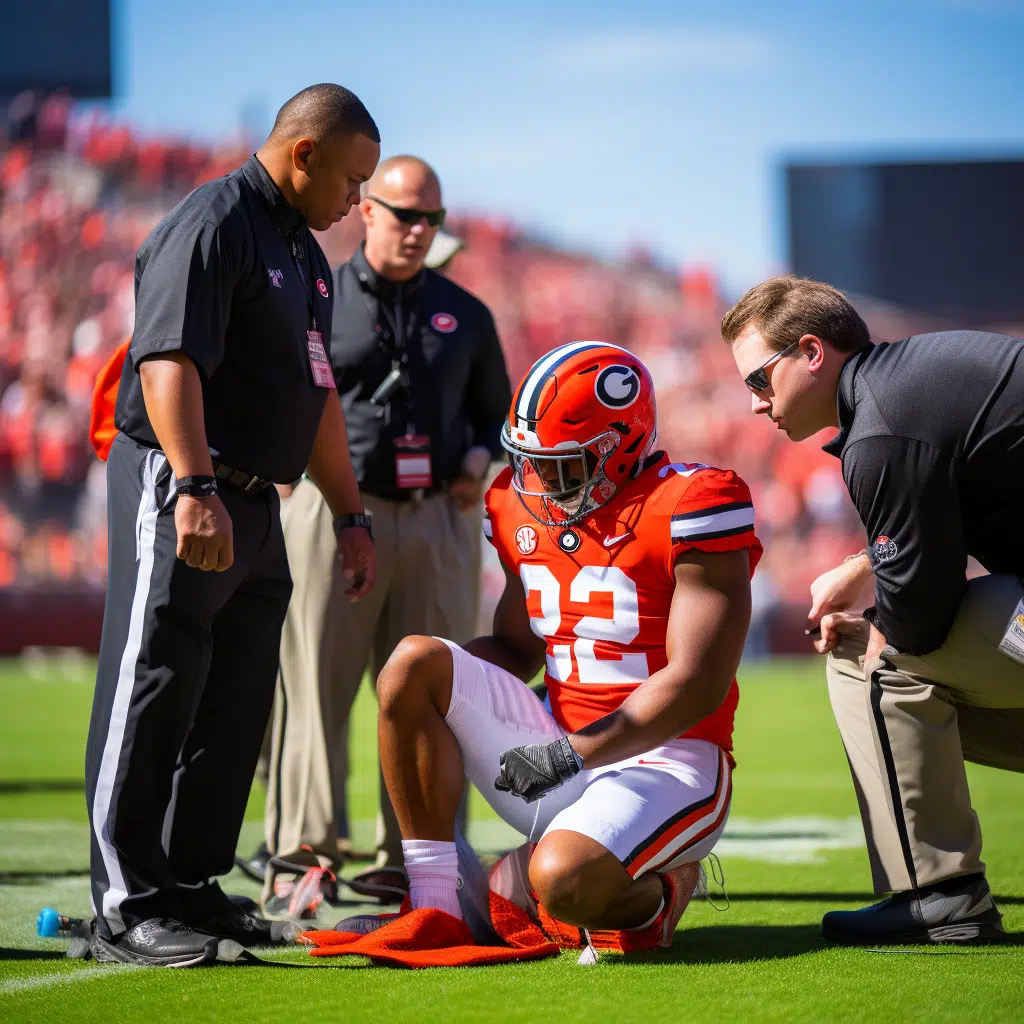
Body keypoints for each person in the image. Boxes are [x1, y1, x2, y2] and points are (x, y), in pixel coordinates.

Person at [84, 84, 380, 967]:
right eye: (351, 178)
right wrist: (193, 485)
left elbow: (317, 396)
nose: (355, 200)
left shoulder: (308, 258)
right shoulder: (212, 223)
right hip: (189, 485)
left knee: (236, 692)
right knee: (155, 674)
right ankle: (124, 901)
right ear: (303, 155)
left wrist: (351, 513)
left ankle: (191, 880)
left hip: (260, 502)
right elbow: (167, 359)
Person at [359, 341, 758, 945]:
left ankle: (662, 890)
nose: (540, 479)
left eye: (563, 462)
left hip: (667, 757)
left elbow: (696, 684)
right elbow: (516, 647)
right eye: (530, 459)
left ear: (619, 449)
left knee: (565, 882)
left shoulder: (691, 503)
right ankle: (436, 904)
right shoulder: (517, 505)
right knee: (412, 662)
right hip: (556, 745)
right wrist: (432, 694)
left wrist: (569, 754)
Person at [723, 274, 1024, 945]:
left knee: (868, 662)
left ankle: (941, 898)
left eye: (758, 381)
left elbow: (918, 621)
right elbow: (959, 513)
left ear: (811, 353)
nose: (753, 405)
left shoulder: (882, 429)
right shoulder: (909, 381)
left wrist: (874, 616)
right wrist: (867, 568)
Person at [261, 156, 511, 911]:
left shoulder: (466, 312)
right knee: (312, 687)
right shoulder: (312, 293)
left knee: (435, 695)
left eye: (431, 219)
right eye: (404, 214)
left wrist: (475, 460)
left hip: (438, 517)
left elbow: (498, 414)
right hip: (334, 509)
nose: (418, 230)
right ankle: (300, 859)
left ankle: (422, 863)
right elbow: (279, 394)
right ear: (366, 210)